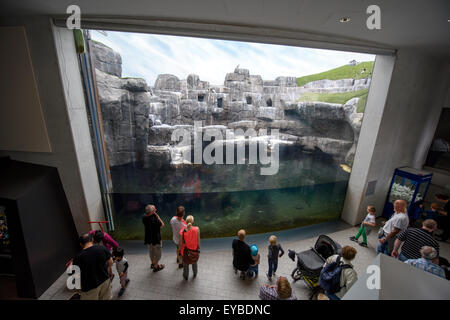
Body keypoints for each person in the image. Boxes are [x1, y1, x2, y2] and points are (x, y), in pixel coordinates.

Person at [72, 233, 113, 300]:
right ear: (92, 240)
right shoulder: (102, 248)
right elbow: (110, 262)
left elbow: (76, 275)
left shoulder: (78, 257)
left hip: (89, 287)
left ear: (81, 244)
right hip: (105, 280)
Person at [142, 204, 165, 272]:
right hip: (156, 239)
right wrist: (156, 215)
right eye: (154, 209)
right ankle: (156, 266)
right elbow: (162, 225)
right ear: (152, 212)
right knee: (158, 253)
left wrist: (153, 213)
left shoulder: (144, 217)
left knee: (151, 251)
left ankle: (152, 263)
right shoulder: (154, 219)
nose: (156, 210)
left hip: (148, 238)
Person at [179, 215, 200, 280]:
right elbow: (198, 241)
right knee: (194, 262)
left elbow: (181, 243)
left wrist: (179, 250)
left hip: (185, 251)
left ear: (186, 221)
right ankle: (195, 273)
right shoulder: (197, 229)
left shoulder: (182, 231)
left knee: (186, 264)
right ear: (193, 221)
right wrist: (198, 248)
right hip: (194, 250)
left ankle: (186, 276)